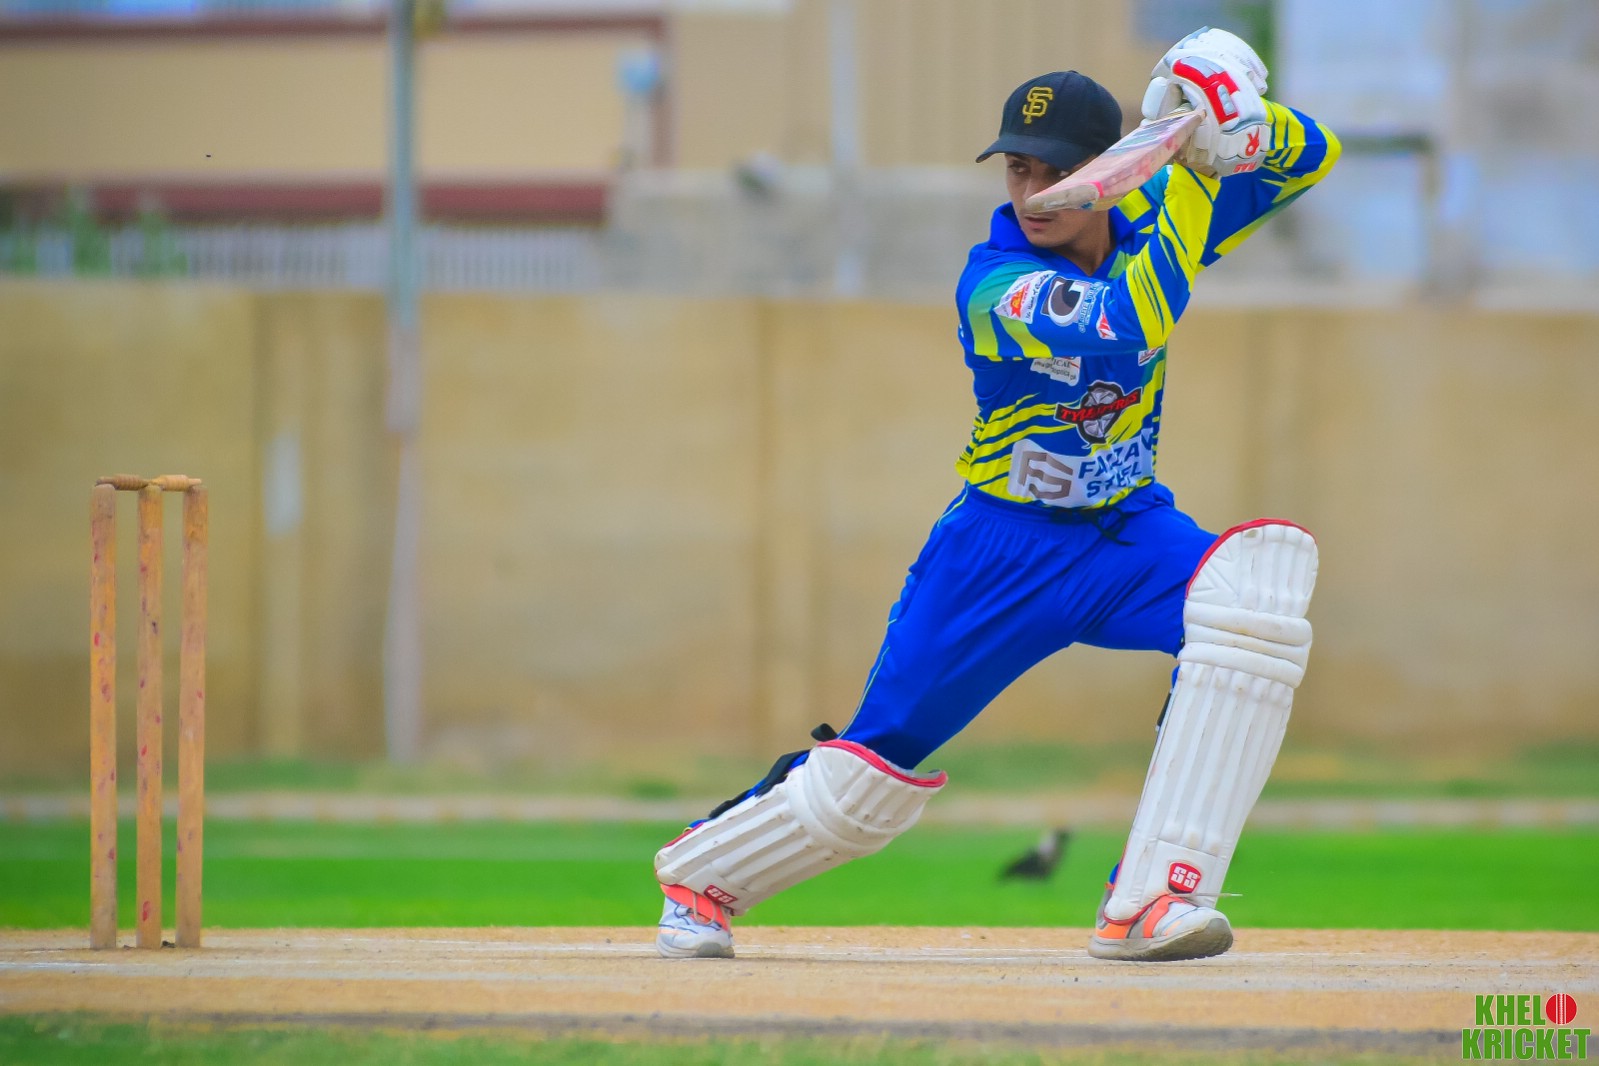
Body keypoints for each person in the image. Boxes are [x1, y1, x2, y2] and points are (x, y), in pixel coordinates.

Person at [653, 28, 1340, 962]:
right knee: (874, 765)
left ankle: (1150, 904)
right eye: (1019, 168)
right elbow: (1129, 317)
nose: (1033, 192)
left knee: (1253, 608)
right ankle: (702, 876)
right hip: (998, 550)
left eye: (1057, 171)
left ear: (1114, 167)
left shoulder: (1154, 215)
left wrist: (1234, 125)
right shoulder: (996, 280)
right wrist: (1190, 168)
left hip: (1126, 535)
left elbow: (1313, 155)